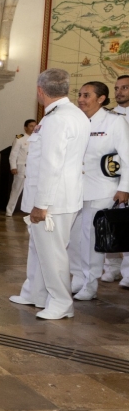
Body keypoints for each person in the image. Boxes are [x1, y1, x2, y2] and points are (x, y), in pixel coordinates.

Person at [8, 68, 88, 319]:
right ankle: (35, 292)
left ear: (40, 91)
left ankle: (61, 302)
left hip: (53, 200)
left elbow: (51, 164)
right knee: (39, 248)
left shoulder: (57, 119)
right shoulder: (73, 114)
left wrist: (41, 205)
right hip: (63, 195)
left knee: (53, 253)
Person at [68, 82, 129, 301]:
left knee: (91, 237)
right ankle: (76, 276)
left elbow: (127, 156)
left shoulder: (114, 122)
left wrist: (124, 187)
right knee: (73, 238)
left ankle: (90, 282)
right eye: (80, 94)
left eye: (87, 95)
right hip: (74, 189)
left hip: (101, 189)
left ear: (101, 98)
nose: (81, 99)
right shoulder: (75, 120)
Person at [103, 75, 129, 285]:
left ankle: (128, 272)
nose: (119, 92)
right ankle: (111, 267)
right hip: (111, 176)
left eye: (125, 88)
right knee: (110, 222)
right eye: (117, 88)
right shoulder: (107, 116)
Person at [5, 119, 37, 217]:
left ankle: (31, 211)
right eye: (31, 126)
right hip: (22, 168)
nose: (33, 128)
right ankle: (9, 211)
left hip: (33, 169)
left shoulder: (38, 138)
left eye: (35, 126)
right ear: (25, 127)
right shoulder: (20, 138)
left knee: (33, 190)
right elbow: (13, 154)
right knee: (16, 189)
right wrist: (13, 167)